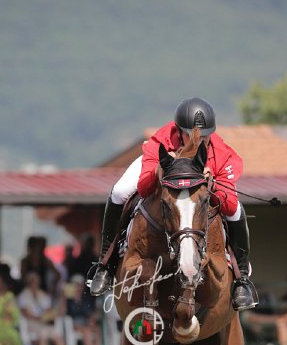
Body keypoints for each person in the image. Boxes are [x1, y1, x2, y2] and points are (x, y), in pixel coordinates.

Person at [90, 97, 258, 311]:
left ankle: (242, 280)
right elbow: (144, 189)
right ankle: (105, 264)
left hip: (207, 186)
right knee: (119, 192)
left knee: (236, 210)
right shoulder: (161, 142)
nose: (199, 140)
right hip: (159, 168)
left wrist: (212, 184)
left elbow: (229, 203)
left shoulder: (220, 153)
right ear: (179, 131)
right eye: (191, 135)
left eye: (205, 136)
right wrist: (161, 169)